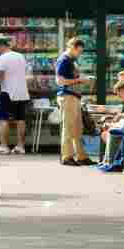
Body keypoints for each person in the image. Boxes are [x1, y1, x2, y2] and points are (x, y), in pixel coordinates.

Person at [0, 37, 30, 154]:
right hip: (22, 92)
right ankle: (20, 146)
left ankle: (4, 146)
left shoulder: (2, 58)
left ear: (0, 46)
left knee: (3, 119)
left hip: (8, 91)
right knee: (20, 119)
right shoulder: (20, 56)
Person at [54, 37, 91, 165]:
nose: (79, 54)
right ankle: (67, 156)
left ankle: (81, 156)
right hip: (67, 96)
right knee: (69, 127)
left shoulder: (71, 60)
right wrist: (80, 80)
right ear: (71, 48)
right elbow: (59, 81)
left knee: (77, 128)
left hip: (74, 96)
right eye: (78, 51)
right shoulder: (64, 60)